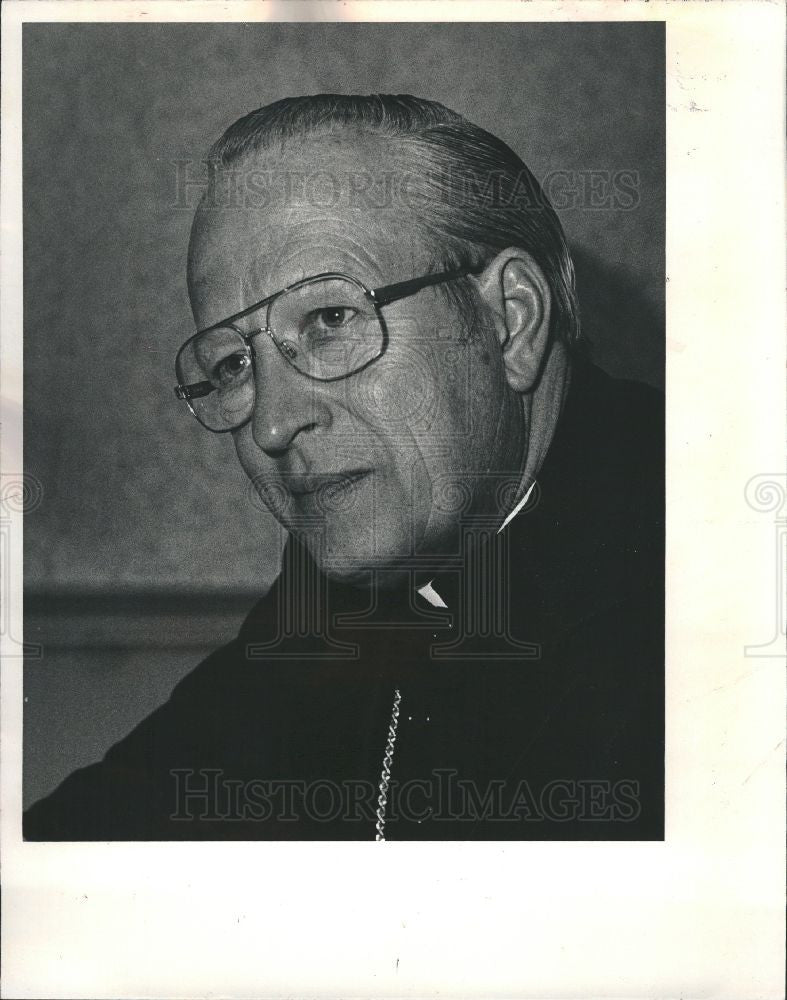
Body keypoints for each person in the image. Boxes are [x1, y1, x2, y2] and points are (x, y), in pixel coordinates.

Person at [24, 94, 663, 841]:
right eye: (233, 363)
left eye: (329, 320)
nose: (269, 421)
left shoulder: (702, 586)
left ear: (508, 320)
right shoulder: (338, 589)